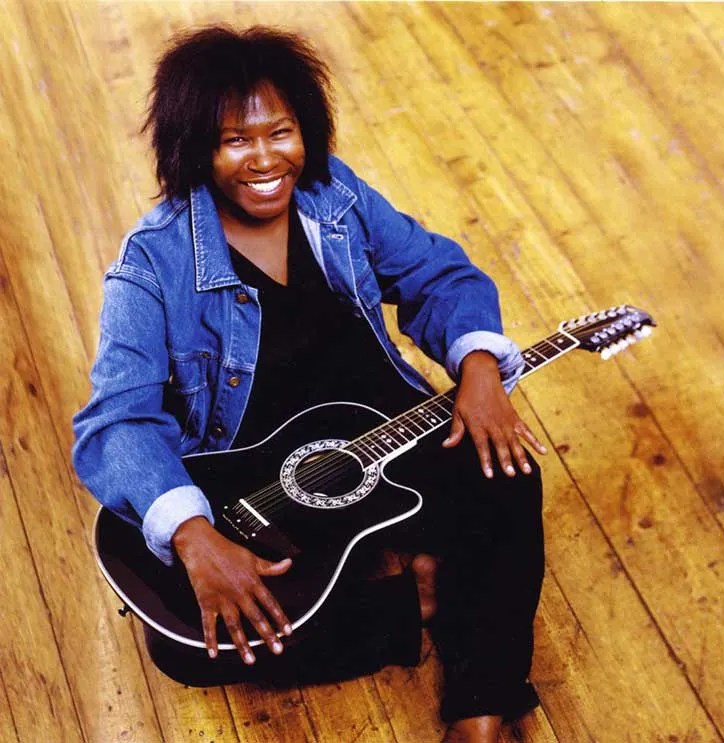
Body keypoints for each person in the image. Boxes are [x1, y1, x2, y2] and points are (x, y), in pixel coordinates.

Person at [73, 26, 547, 743]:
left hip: (382, 422)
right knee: (181, 647)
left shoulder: (335, 196)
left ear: (307, 131)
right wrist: (197, 537)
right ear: (195, 148)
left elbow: (437, 274)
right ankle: (414, 603)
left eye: (281, 131)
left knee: (508, 469)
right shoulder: (151, 263)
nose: (265, 159)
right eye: (234, 140)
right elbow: (116, 422)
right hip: (270, 480)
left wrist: (477, 366)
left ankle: (481, 706)